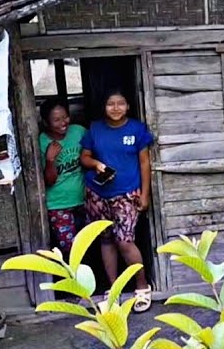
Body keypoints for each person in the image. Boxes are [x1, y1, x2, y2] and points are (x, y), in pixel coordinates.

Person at [80, 90, 154, 311]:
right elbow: (84, 157)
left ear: (128, 106)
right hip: (97, 193)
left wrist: (145, 195)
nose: (115, 108)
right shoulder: (95, 129)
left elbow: (144, 164)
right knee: (105, 239)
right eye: (110, 104)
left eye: (120, 103)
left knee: (125, 241)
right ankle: (114, 289)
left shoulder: (137, 129)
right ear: (104, 107)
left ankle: (142, 286)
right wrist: (96, 164)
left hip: (126, 193)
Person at [39, 99, 87, 256]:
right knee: (71, 251)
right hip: (58, 205)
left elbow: (94, 153)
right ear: (46, 122)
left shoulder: (78, 132)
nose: (63, 123)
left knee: (89, 245)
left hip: (83, 200)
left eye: (65, 117)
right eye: (56, 120)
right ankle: (74, 280)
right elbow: (49, 181)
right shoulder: (41, 142)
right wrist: (50, 160)